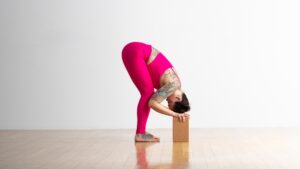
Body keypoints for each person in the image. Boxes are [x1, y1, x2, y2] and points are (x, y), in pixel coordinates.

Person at [121, 42, 191, 142]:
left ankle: (141, 132)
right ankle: (140, 133)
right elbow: (152, 103)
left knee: (148, 93)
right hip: (135, 51)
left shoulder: (177, 84)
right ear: (178, 98)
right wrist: (175, 114)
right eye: (170, 102)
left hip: (134, 50)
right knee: (148, 93)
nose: (167, 100)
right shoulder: (173, 85)